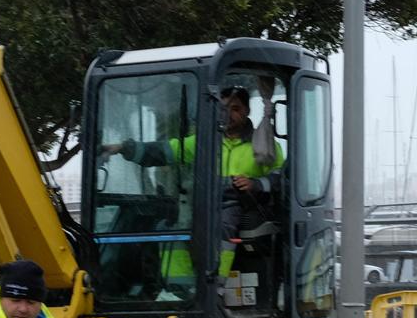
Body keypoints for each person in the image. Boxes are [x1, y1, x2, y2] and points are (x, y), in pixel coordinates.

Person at [102, 83, 284, 279]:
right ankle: (179, 287)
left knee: (221, 227)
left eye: (235, 109)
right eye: (223, 109)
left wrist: (255, 184)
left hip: (243, 205)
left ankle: (216, 285)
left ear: (247, 110)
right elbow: (165, 151)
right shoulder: (204, 141)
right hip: (204, 205)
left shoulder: (264, 144)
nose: (228, 114)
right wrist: (123, 148)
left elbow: (280, 176)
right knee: (169, 226)